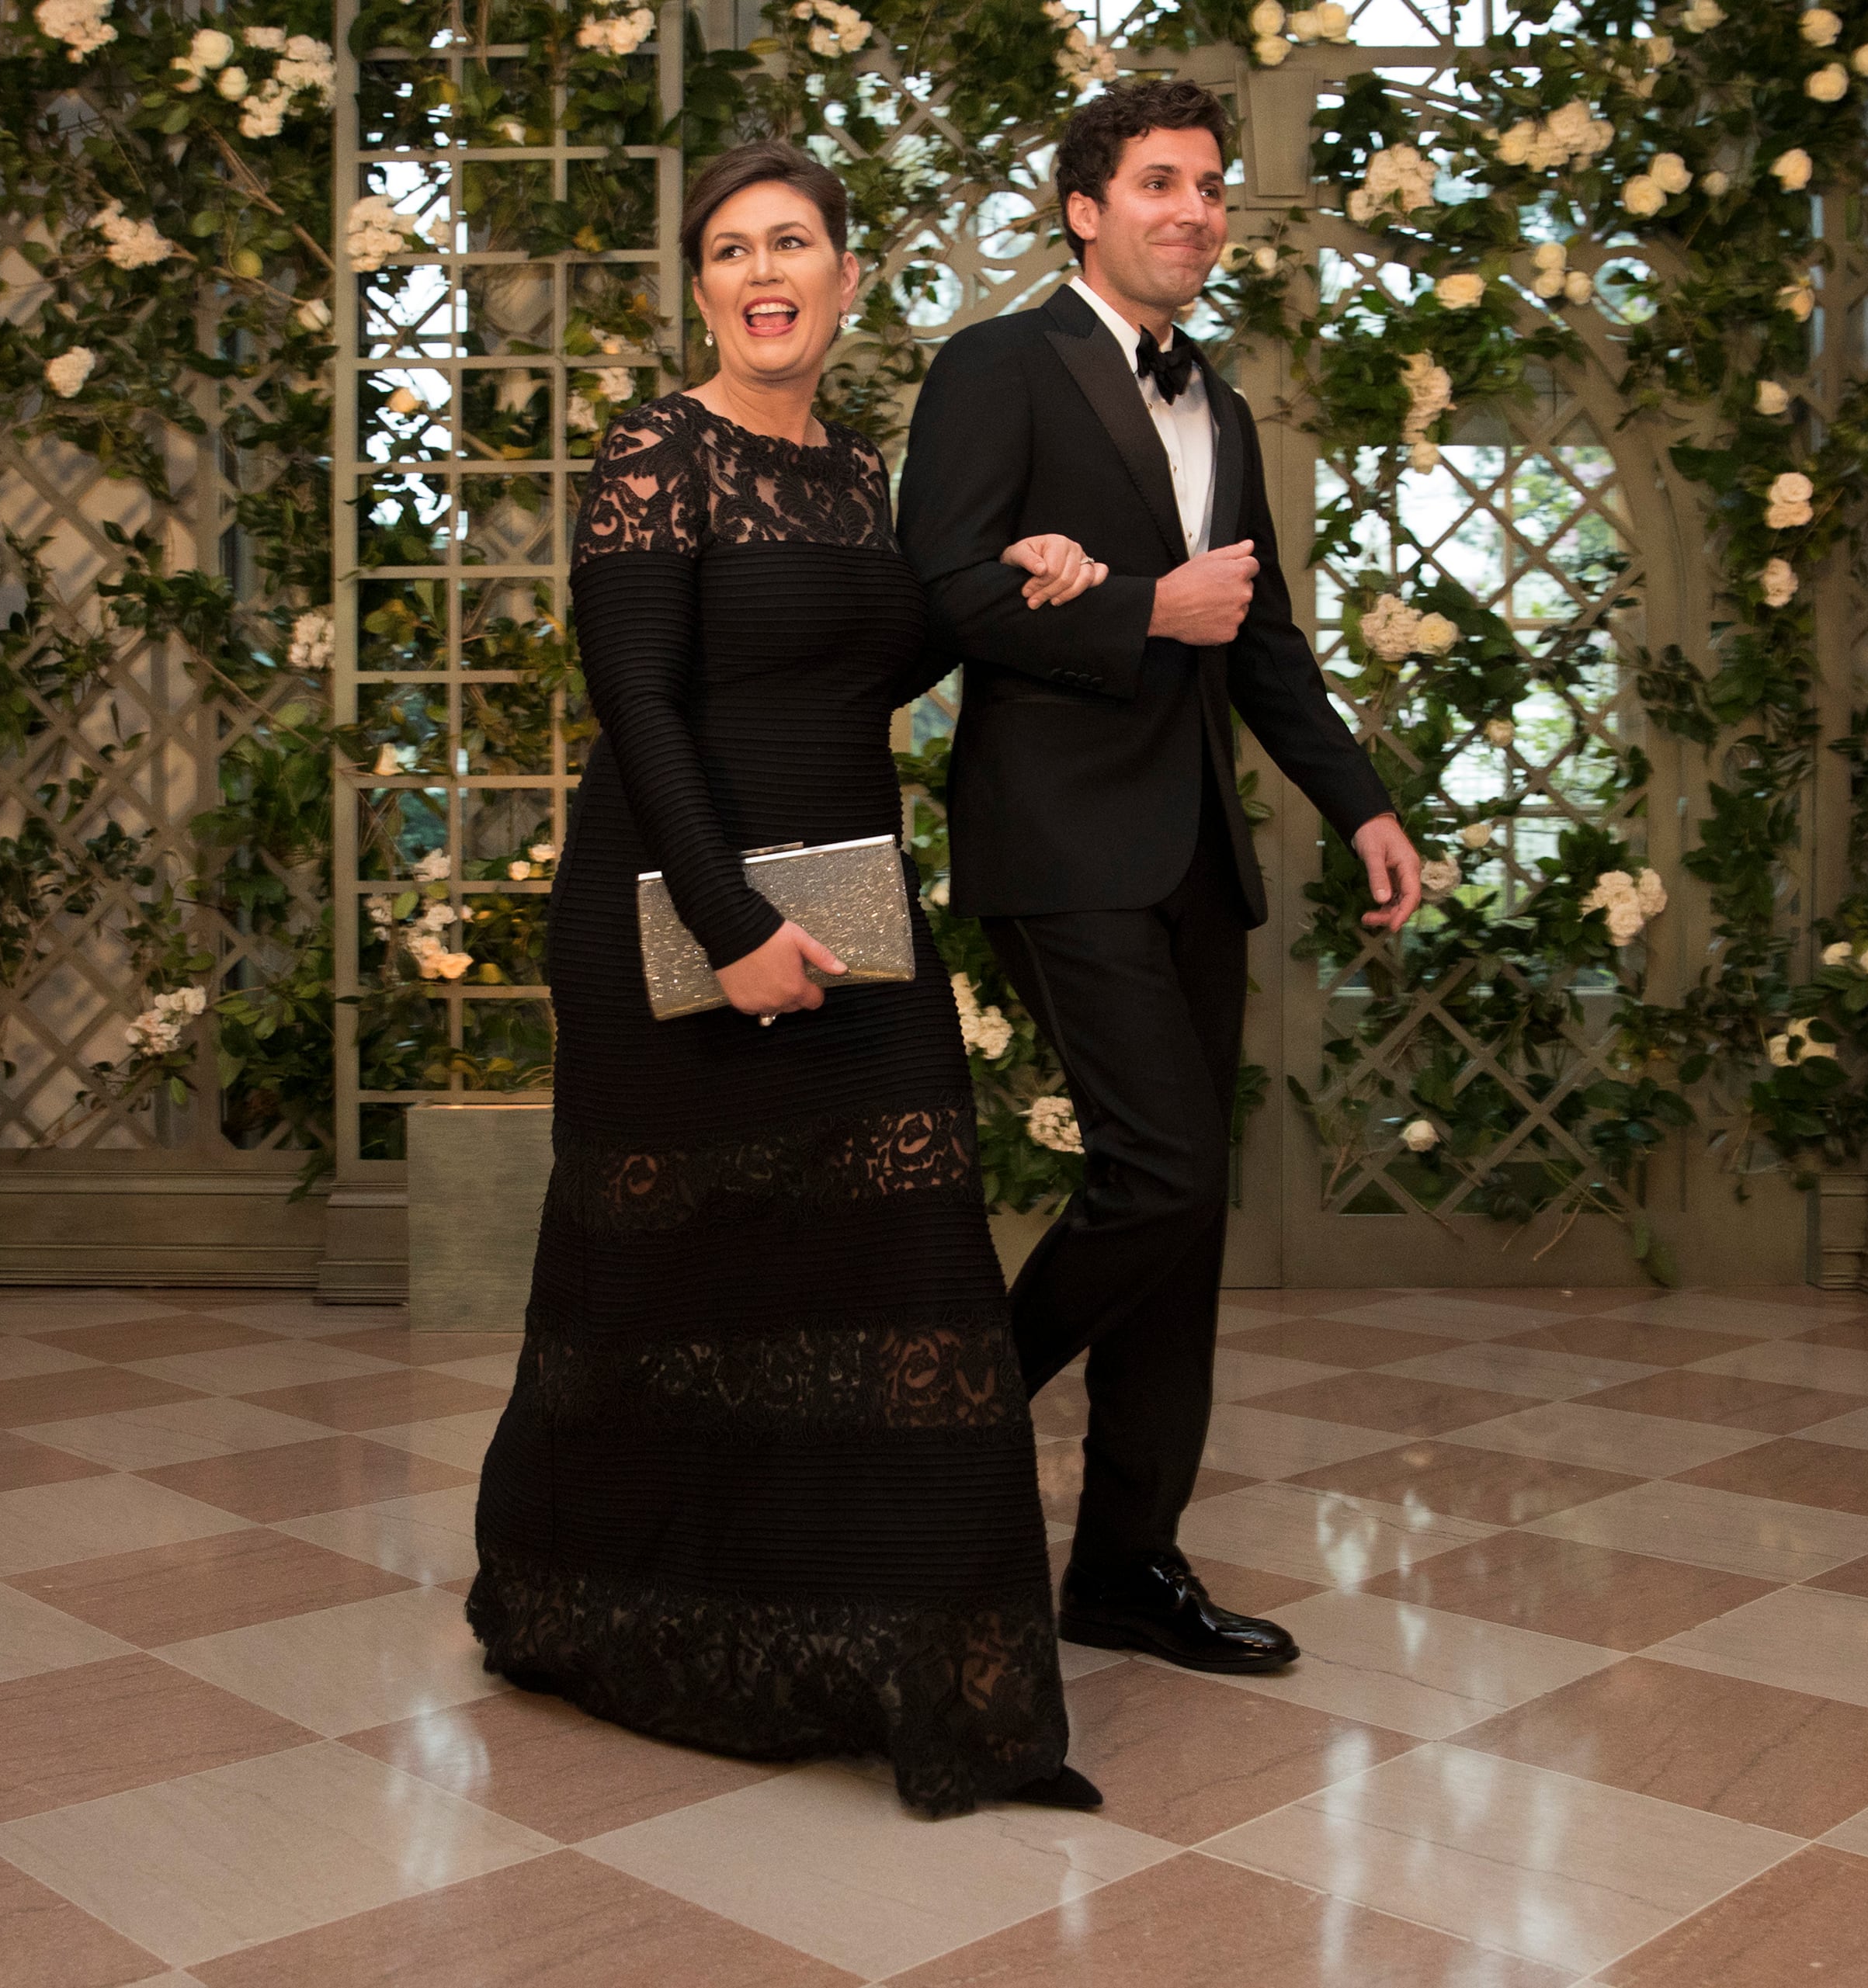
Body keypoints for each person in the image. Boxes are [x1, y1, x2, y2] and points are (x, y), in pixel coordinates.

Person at [467, 141, 1108, 1817]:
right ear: (703, 289)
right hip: (680, 907)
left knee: (903, 1278)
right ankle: (604, 1613)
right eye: (733, 247)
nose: (766, 269)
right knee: (675, 1297)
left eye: (796, 241)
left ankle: (932, 1685)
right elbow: (648, 704)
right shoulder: (653, 452)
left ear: (843, 279)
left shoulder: (853, 470)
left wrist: (993, 592)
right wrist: (729, 920)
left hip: (851, 904)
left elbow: (856, 670)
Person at [898, 81, 1424, 1675]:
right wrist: (1140, 610)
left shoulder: (1228, 410)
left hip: (1197, 850)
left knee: (1182, 1232)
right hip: (1059, 837)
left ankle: (1125, 1566)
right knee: (1165, 1172)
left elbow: (1259, 642)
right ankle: (942, 1409)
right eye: (1158, 182)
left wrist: (1360, 806)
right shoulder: (999, 363)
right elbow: (947, 588)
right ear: (1085, 207)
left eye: (1210, 186)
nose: (1193, 209)